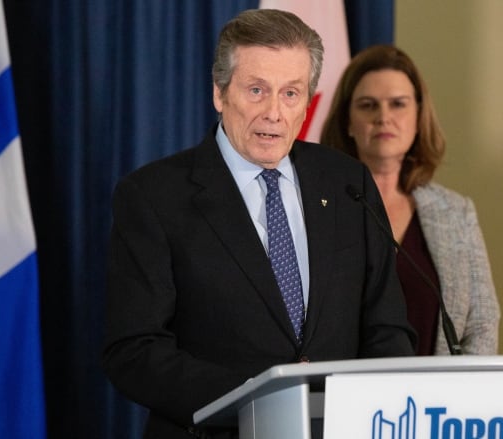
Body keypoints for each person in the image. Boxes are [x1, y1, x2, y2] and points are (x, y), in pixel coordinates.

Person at [101, 10, 415, 438]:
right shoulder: (154, 196)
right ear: (219, 93)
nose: (274, 112)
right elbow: (134, 350)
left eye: (291, 93)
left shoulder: (347, 182)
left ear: (309, 100)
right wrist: (257, 399)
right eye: (256, 90)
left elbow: (387, 325)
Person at [321, 44, 500, 356]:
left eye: (398, 104)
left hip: (441, 400)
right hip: (348, 398)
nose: (383, 117)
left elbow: (482, 324)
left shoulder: (456, 213)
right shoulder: (318, 209)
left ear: (419, 116)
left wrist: (459, 396)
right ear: (347, 122)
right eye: (368, 105)